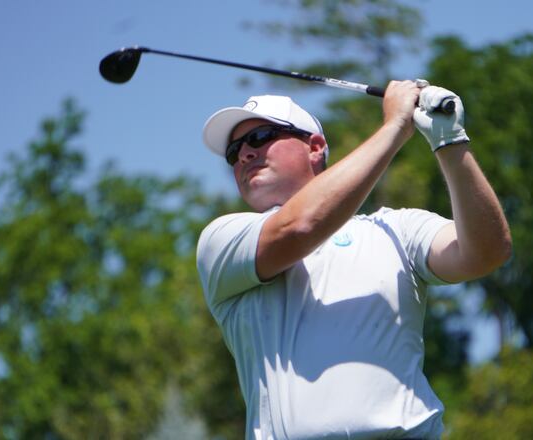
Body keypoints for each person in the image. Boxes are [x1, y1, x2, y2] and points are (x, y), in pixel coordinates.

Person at [196, 81, 512, 439]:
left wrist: (450, 142)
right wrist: (395, 128)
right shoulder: (223, 239)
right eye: (233, 151)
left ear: (315, 147)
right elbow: (300, 226)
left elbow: (487, 252)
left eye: (260, 137)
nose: (243, 155)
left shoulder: (396, 228)